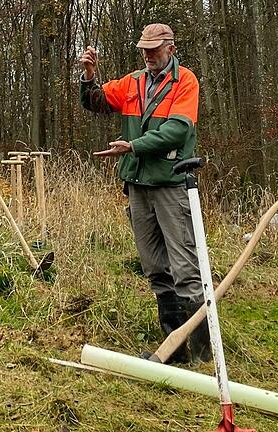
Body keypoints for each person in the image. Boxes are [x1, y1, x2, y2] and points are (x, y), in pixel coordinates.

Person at [79, 23, 211, 364]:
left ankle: (203, 352)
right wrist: (89, 77)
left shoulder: (186, 81)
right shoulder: (133, 81)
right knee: (155, 268)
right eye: (144, 49)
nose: (148, 55)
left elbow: (177, 131)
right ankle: (174, 348)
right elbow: (98, 102)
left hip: (170, 183)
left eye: (154, 49)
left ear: (170, 47)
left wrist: (133, 145)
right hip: (138, 185)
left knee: (185, 269)